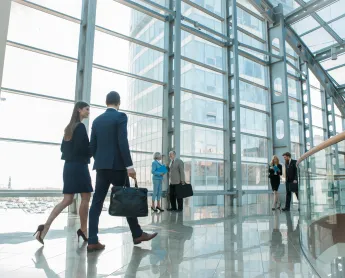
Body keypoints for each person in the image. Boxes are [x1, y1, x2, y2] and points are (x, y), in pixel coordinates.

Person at [87, 91, 158, 252]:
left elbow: (92, 147)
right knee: (127, 199)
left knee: (96, 203)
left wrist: (97, 160)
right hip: (118, 167)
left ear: (106, 102)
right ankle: (137, 234)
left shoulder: (97, 121)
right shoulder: (120, 117)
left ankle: (92, 240)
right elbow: (122, 141)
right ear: (118, 103)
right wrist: (129, 166)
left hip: (101, 167)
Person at [34, 102, 93, 245]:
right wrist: (93, 149)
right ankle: (84, 231)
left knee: (67, 200)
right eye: (86, 109)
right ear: (79, 110)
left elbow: (62, 149)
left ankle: (44, 227)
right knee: (85, 197)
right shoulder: (80, 127)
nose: (88, 112)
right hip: (79, 166)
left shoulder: (68, 128)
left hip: (68, 167)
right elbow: (83, 149)